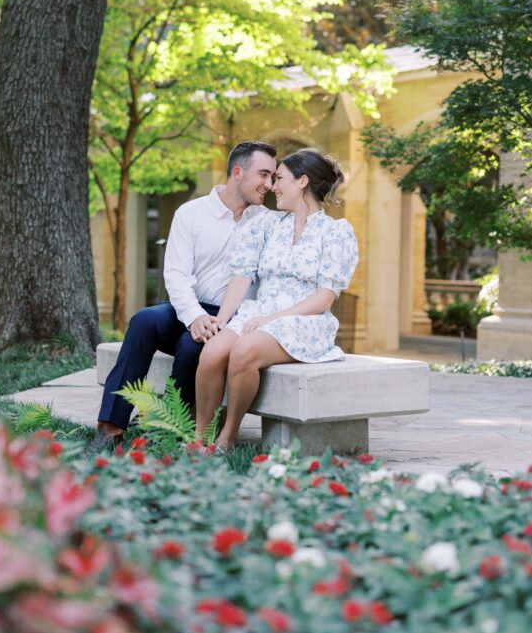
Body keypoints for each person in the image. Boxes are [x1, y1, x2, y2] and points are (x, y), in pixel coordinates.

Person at [94, 140, 278, 443]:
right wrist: (194, 317)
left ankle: (167, 430)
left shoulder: (268, 222)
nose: (269, 184)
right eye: (263, 174)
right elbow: (176, 275)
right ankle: (109, 427)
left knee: (192, 348)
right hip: (187, 308)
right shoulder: (191, 213)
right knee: (144, 321)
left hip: (232, 319)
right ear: (237, 172)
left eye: (272, 177)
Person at [194, 148, 359, 449]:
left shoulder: (335, 232)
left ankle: (227, 437)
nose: (272, 186)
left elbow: (324, 298)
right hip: (260, 314)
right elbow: (241, 275)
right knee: (212, 352)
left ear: (303, 182)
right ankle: (198, 438)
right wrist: (222, 319)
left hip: (304, 321)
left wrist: (273, 319)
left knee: (244, 350)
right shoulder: (267, 225)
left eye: (280, 178)